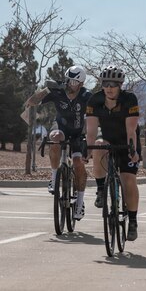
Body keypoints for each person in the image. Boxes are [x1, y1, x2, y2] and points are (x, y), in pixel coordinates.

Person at [25, 66, 92, 220]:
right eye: (68, 80)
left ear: (81, 84)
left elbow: (95, 115)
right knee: (54, 137)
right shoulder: (58, 91)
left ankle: (80, 202)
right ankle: (54, 177)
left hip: (78, 133)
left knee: (77, 162)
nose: (70, 84)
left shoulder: (86, 95)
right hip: (60, 128)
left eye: (74, 82)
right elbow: (31, 102)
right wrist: (46, 90)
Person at [84, 65, 141, 241]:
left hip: (127, 142)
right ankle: (101, 189)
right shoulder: (95, 100)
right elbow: (92, 131)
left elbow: (131, 130)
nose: (109, 87)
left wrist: (132, 150)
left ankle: (132, 220)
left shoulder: (129, 99)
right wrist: (88, 149)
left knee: (128, 180)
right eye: (106, 83)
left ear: (120, 85)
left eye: (113, 84)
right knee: (99, 146)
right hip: (108, 141)